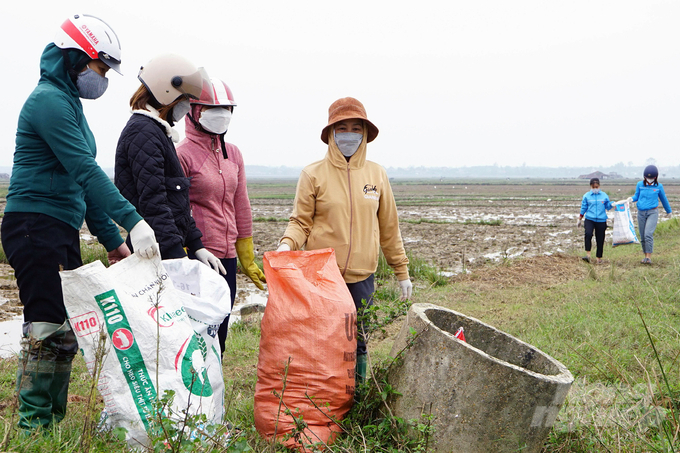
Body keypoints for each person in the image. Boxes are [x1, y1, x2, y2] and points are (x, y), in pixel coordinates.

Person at [0, 14, 159, 430]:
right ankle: (34, 426)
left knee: (68, 329)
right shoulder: (48, 102)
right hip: (34, 224)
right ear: (73, 59)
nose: (102, 78)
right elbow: (86, 170)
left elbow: (83, 188)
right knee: (47, 325)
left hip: (58, 226)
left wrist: (113, 239)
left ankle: (49, 418)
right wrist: (134, 220)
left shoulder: (69, 104)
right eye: (99, 67)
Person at [276, 97, 412, 384]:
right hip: (323, 277)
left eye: (355, 128)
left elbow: (389, 228)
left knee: (358, 341)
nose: (349, 135)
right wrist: (286, 245)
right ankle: (324, 399)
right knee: (323, 340)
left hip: (362, 277)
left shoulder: (377, 175)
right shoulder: (313, 174)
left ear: (364, 134)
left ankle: (357, 400)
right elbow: (301, 222)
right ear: (330, 134)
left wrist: (402, 272)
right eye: (342, 128)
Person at [176, 78, 265, 354]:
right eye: (212, 108)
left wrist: (246, 255)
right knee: (198, 332)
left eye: (226, 109)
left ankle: (214, 393)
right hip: (199, 255)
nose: (221, 114)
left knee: (221, 333)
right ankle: (192, 394)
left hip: (227, 258)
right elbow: (177, 209)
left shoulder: (233, 154)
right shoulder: (183, 155)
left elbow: (242, 204)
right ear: (193, 110)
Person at [115, 54, 225, 274]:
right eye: (184, 99)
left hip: (161, 245)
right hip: (155, 251)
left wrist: (196, 245)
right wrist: (177, 254)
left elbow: (176, 199)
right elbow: (154, 201)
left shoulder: (156, 131)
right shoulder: (142, 133)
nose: (186, 106)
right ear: (167, 93)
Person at [620, 165, 672, 264]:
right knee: (643, 235)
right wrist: (631, 199)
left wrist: (668, 211)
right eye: (647, 178)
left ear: (655, 177)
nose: (649, 180)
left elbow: (663, 199)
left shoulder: (658, 187)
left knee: (648, 234)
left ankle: (648, 257)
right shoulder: (640, 184)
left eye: (651, 178)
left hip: (652, 212)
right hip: (641, 213)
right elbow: (636, 196)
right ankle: (645, 256)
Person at [577, 178, 613, 264]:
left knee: (600, 239)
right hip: (590, 219)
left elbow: (608, 207)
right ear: (590, 187)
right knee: (588, 234)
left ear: (599, 186)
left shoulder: (604, 196)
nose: (595, 189)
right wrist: (579, 218)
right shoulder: (587, 196)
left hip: (601, 220)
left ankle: (599, 258)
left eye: (596, 187)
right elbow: (584, 207)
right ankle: (588, 255)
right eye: (593, 187)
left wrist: (612, 204)